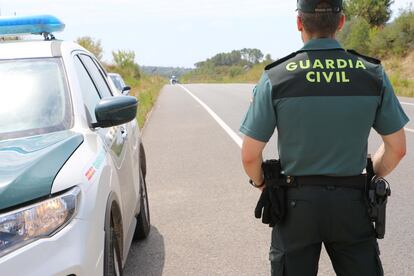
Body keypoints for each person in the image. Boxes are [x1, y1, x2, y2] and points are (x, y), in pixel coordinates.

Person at [239, 0, 409, 275]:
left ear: (299, 23)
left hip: (295, 206)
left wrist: (263, 184)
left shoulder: (277, 77)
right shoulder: (372, 74)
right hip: (352, 204)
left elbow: (249, 155)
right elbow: (397, 148)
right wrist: (370, 174)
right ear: (341, 22)